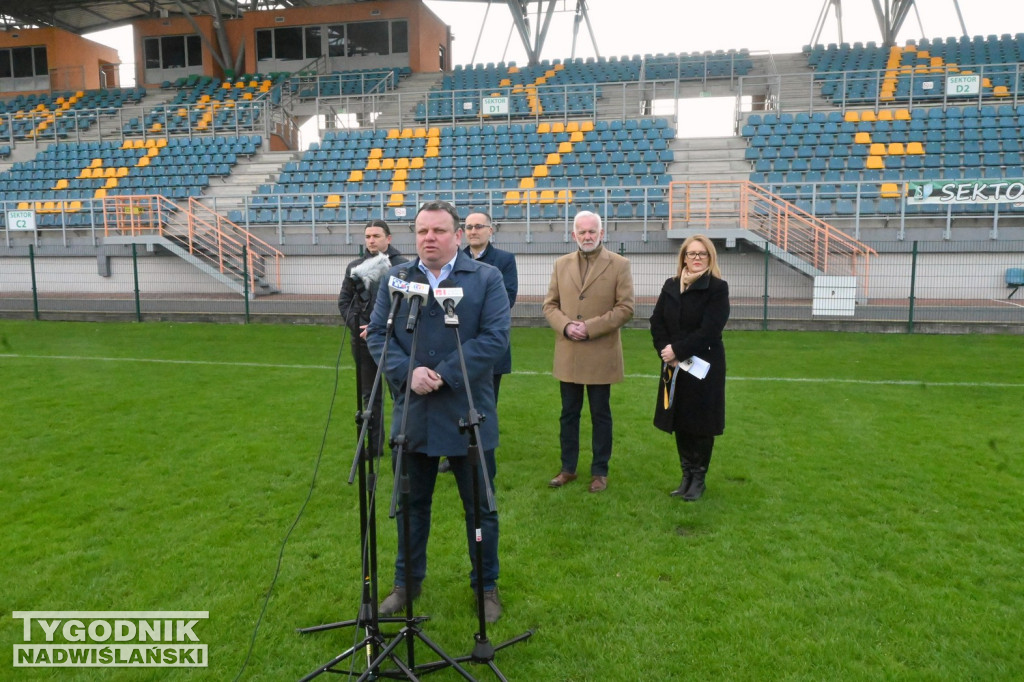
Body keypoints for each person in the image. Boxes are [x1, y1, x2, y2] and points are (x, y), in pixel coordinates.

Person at [366, 200, 511, 623]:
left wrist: (444, 374)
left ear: (458, 235)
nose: (429, 238)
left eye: (439, 231)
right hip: (414, 414)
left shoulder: (486, 278)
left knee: (481, 509)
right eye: (423, 231)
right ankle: (405, 584)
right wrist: (407, 372)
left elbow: (495, 337)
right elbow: (378, 334)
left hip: (468, 413)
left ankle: (486, 586)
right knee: (411, 506)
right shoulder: (397, 278)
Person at [542, 210, 634, 493]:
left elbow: (626, 308)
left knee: (600, 414)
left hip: (601, 352)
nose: (587, 236)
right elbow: (549, 305)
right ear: (574, 235)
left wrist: (589, 327)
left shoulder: (619, 264)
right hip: (568, 352)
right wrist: (567, 326)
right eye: (582, 232)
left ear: (601, 233)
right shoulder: (560, 264)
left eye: (592, 231)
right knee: (568, 413)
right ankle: (567, 468)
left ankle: (599, 471)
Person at [437, 210, 519, 475]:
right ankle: (454, 454)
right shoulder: (452, 260)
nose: (473, 231)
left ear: (490, 230)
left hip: (486, 348)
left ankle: (482, 455)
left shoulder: (503, 262)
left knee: (484, 406)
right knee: (454, 401)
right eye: (469, 227)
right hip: (454, 344)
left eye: (479, 226)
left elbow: (505, 300)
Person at [649, 235, 730, 501]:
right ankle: (685, 476)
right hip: (674, 366)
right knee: (680, 421)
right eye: (691, 254)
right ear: (683, 257)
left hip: (705, 368)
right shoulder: (671, 285)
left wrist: (678, 351)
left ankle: (699, 479)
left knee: (701, 424)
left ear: (710, 258)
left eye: (701, 254)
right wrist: (666, 352)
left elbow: (709, 330)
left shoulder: (717, 288)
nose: (696, 258)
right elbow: (656, 320)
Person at [337, 220, 407, 457]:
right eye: (367, 236)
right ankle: (373, 447)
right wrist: (357, 326)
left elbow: (407, 307)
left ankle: (402, 442)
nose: (371, 240)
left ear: (389, 238)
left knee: (400, 392)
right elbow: (344, 302)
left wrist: (383, 327)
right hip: (362, 341)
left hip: (394, 341)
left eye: (376, 235)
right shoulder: (355, 267)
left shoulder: (403, 266)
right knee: (369, 395)